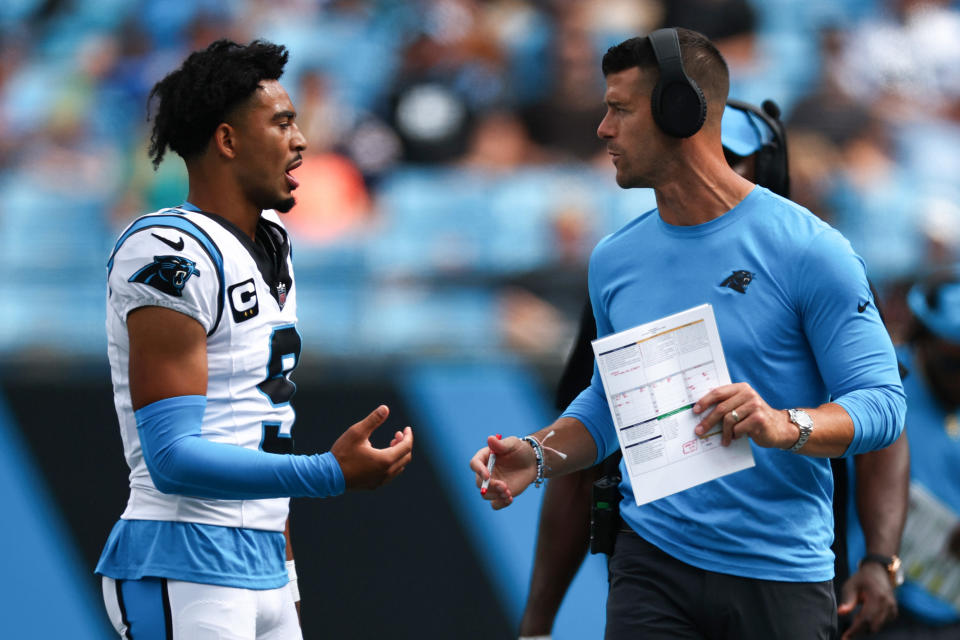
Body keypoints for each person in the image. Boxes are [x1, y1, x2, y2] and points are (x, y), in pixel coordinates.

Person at [470, 28, 905, 640]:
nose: (602, 129)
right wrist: (540, 454)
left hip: (780, 574)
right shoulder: (615, 259)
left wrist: (785, 424)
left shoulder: (811, 249)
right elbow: (611, 404)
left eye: (619, 109)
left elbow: (883, 406)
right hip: (652, 564)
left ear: (681, 112)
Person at [95, 39, 414, 639]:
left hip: (261, 561)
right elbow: (170, 458)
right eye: (283, 122)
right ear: (228, 140)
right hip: (181, 557)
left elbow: (256, 421)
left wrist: (286, 581)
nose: (301, 141)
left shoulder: (272, 243)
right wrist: (328, 473)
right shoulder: (167, 252)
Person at [844, 268, 960, 639]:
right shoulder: (879, 381)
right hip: (867, 595)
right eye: (953, 363)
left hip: (948, 606)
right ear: (924, 337)